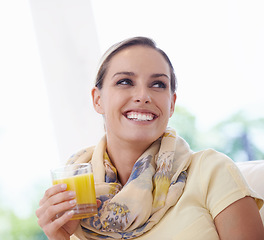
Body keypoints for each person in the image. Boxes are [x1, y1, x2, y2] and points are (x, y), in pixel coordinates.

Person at [36, 37, 264, 240]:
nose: (143, 96)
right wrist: (60, 238)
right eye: (125, 81)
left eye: (158, 84)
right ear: (97, 99)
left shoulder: (211, 171)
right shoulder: (79, 203)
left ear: (171, 103)